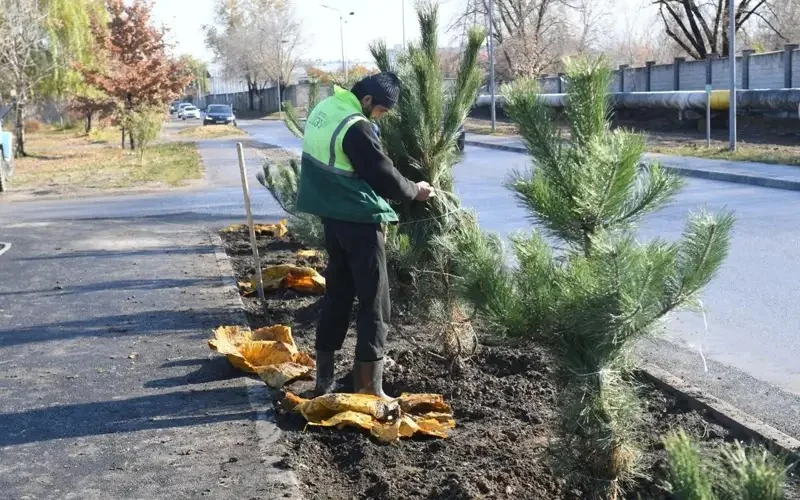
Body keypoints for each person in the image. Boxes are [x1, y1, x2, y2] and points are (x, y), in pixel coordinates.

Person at [295, 72, 434, 398]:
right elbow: (383, 174)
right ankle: (369, 388)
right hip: (359, 220)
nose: (379, 117)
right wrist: (416, 191)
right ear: (369, 100)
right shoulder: (356, 125)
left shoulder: (327, 108)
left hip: (332, 217)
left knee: (338, 295)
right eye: (381, 111)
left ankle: (324, 381)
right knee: (375, 302)